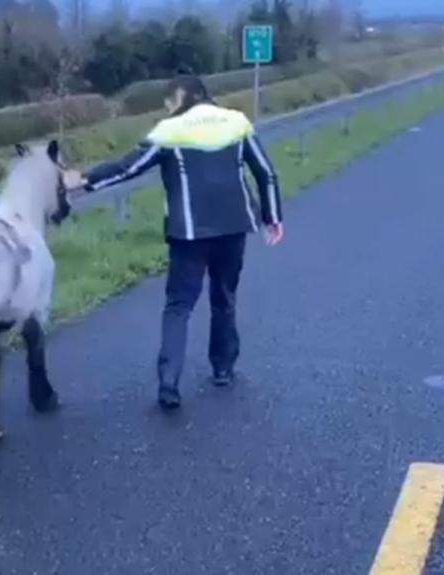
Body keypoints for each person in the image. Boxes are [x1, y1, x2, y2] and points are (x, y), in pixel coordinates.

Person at [63, 74, 284, 411]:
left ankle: (169, 385)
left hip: (190, 232)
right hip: (234, 226)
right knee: (224, 296)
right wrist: (273, 217)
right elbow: (265, 172)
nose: (167, 108)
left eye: (169, 102)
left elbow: (127, 168)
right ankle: (223, 368)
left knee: (179, 306)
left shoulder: (170, 130)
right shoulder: (237, 122)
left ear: (183, 97)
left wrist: (82, 180)